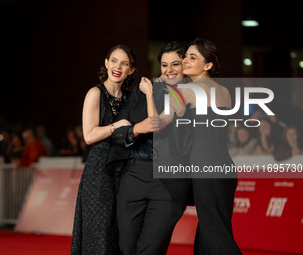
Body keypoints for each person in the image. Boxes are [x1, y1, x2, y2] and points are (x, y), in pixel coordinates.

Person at [139, 38, 242, 254]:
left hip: (204, 168)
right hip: (225, 167)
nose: (185, 61)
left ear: (208, 65)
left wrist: (151, 92)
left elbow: (157, 123)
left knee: (215, 235)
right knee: (210, 230)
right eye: (186, 56)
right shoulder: (224, 91)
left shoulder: (186, 91)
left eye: (192, 57)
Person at [106, 42, 189, 255]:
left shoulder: (191, 94)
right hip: (134, 175)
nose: (169, 70)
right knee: (127, 247)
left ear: (186, 65)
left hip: (168, 180)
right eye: (164, 65)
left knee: (150, 249)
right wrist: (134, 130)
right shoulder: (141, 91)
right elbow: (118, 131)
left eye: (175, 64)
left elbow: (157, 126)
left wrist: (150, 95)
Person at [70, 44, 137, 255]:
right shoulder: (95, 93)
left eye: (124, 63)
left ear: (131, 70)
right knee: (98, 231)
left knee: (118, 233)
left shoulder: (131, 98)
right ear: (106, 63)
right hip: (99, 171)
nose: (118, 66)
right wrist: (116, 126)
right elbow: (89, 136)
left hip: (125, 171)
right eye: (114, 60)